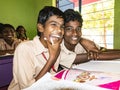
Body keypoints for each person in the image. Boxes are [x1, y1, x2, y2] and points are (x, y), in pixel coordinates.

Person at [8, 6, 67, 90]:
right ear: (41, 27)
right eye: (54, 24)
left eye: (62, 26)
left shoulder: (55, 45)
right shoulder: (25, 48)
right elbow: (27, 88)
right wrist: (52, 58)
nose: (59, 30)